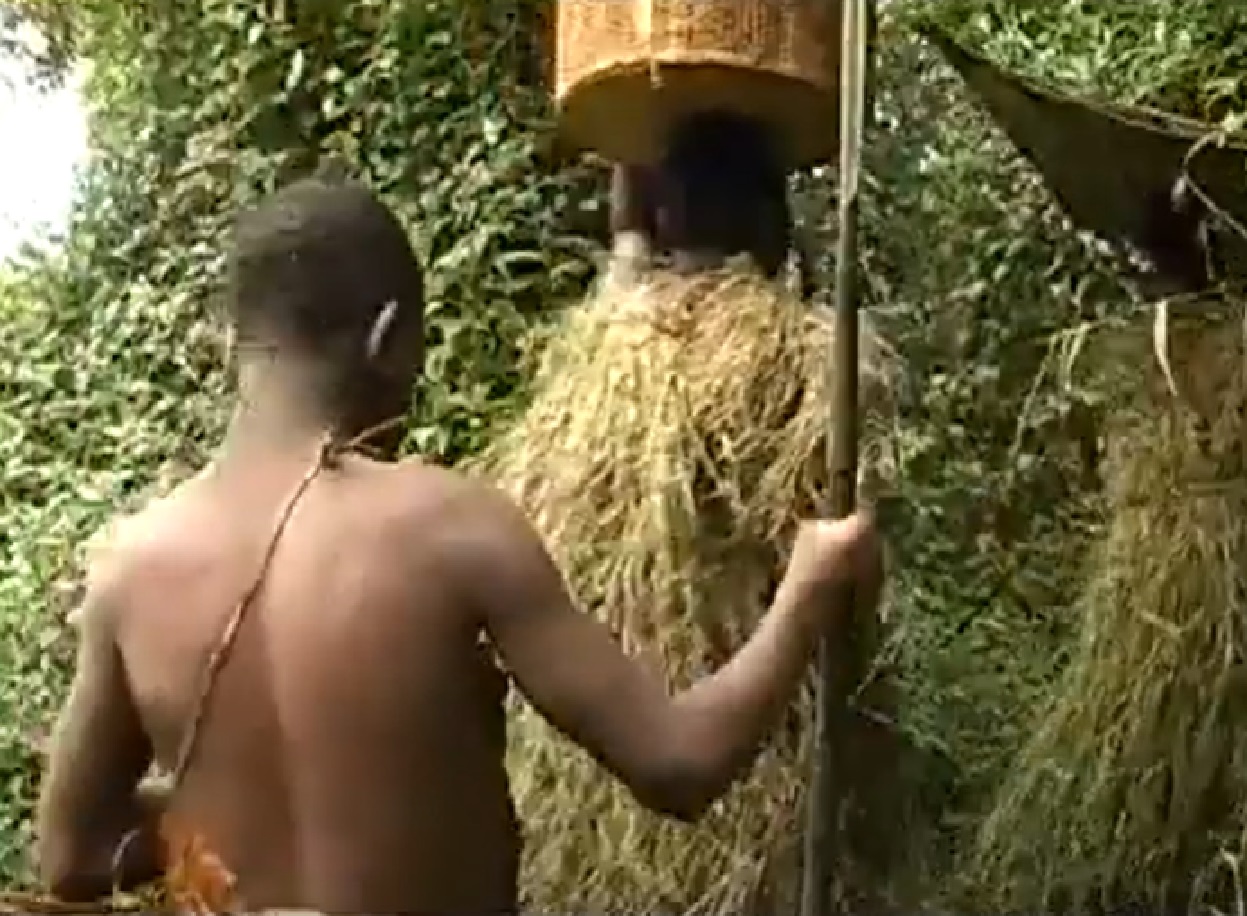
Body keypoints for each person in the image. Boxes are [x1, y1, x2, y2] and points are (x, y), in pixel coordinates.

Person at [34, 170, 884, 914]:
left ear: (233, 347)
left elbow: (72, 858)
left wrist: (221, 803)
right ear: (388, 338)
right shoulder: (449, 528)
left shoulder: (132, 569)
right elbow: (676, 763)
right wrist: (807, 589)